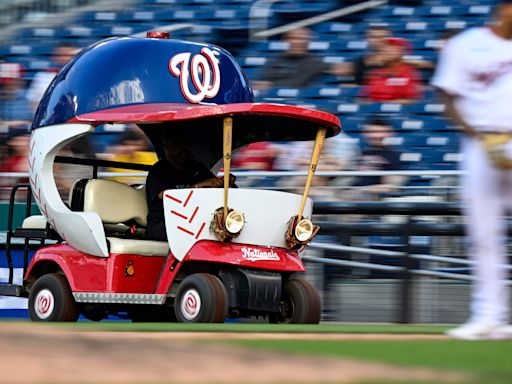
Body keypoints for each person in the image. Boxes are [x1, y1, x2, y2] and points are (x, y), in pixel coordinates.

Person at [431, 0, 512, 340]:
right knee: (483, 237)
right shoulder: (467, 44)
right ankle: (487, 317)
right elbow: (447, 96)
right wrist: (477, 135)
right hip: (482, 144)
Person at [145, 130, 225, 241]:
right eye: (178, 145)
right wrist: (199, 186)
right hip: (164, 223)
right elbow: (165, 194)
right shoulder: (158, 170)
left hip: (196, 220)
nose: (184, 149)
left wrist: (223, 182)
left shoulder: (197, 167)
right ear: (166, 147)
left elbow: (212, 182)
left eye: (186, 145)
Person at [253, 27, 327, 90]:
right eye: (293, 38)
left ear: (308, 42)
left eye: (302, 39)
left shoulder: (315, 63)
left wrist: (270, 86)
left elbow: (296, 83)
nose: (297, 42)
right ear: (285, 41)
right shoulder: (275, 60)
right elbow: (262, 80)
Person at [352, 118, 403, 197]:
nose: (375, 136)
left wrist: (361, 191)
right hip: (347, 196)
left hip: (374, 200)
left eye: (381, 132)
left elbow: (392, 186)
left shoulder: (396, 156)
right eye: (371, 132)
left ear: (391, 133)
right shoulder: (357, 154)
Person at [363, 37, 422, 103]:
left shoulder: (409, 73)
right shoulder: (375, 73)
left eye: (391, 48)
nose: (385, 51)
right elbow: (365, 98)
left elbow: (412, 101)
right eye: (383, 49)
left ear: (401, 52)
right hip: (372, 111)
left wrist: (382, 106)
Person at [26, 43, 78, 113]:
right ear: (54, 57)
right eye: (60, 55)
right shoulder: (42, 76)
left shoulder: (80, 77)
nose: (64, 58)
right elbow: (33, 102)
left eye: (68, 55)